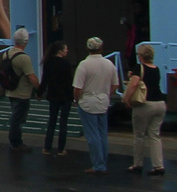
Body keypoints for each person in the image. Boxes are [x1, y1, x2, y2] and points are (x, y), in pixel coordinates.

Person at [73, 36, 119, 174]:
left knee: (92, 135)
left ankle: (98, 164)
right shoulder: (109, 64)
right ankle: (102, 161)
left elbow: (77, 88)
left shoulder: (84, 65)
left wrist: (77, 100)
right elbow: (115, 84)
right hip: (103, 101)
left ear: (88, 48)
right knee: (102, 134)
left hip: (87, 101)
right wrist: (107, 94)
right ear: (101, 48)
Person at [126, 42, 167, 176]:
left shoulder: (139, 68)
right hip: (160, 103)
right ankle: (158, 165)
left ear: (141, 56)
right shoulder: (156, 68)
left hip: (145, 104)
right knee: (154, 135)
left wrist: (126, 99)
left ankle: (137, 164)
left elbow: (134, 84)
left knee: (139, 135)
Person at [3, 27, 38, 149]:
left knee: (15, 116)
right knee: (18, 119)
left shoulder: (6, 53)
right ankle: (16, 142)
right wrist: (39, 89)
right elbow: (31, 77)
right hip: (22, 93)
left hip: (10, 90)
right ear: (26, 41)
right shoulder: (24, 58)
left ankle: (15, 141)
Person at [41, 40, 75, 156]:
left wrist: (39, 92)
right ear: (60, 51)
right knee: (63, 122)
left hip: (53, 95)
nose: (67, 50)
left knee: (52, 121)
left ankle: (47, 147)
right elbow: (69, 81)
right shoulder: (66, 64)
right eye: (65, 48)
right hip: (65, 96)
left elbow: (44, 80)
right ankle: (61, 148)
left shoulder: (48, 62)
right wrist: (73, 97)